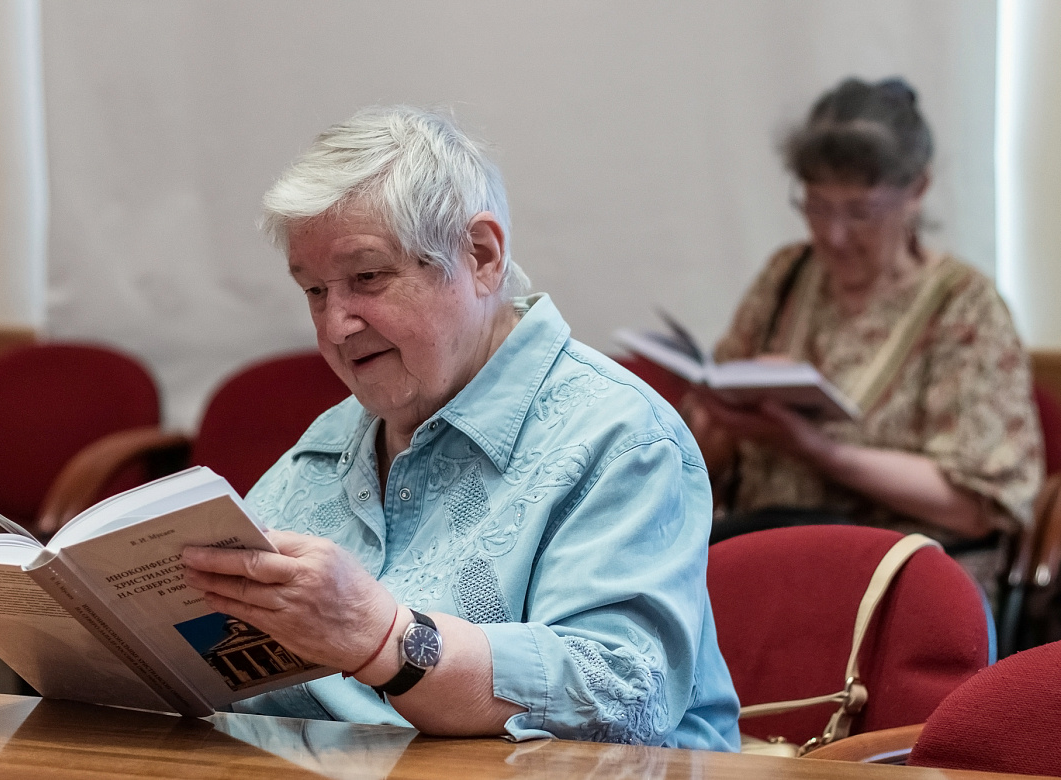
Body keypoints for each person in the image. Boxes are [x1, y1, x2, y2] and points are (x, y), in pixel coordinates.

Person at [181, 106, 739, 749]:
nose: (335, 325)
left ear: (480, 255)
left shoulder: (621, 436)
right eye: (313, 291)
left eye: (367, 277)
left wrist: (384, 640)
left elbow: (620, 704)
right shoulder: (331, 442)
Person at [694, 77, 1043, 598]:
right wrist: (723, 410)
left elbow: (977, 507)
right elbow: (702, 454)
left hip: (902, 576)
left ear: (917, 190)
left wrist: (819, 450)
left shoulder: (965, 305)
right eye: (816, 206)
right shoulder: (787, 274)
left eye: (860, 212)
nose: (833, 235)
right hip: (767, 554)